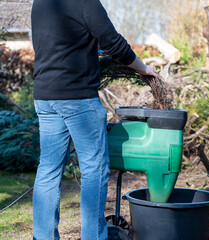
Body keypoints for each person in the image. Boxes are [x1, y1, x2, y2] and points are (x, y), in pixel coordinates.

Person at [31, 0, 157, 239]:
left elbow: (58, 43)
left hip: (45, 96)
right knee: (94, 168)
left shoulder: (41, 2)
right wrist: (142, 67)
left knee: (48, 169)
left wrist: (89, 50)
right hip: (77, 98)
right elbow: (113, 42)